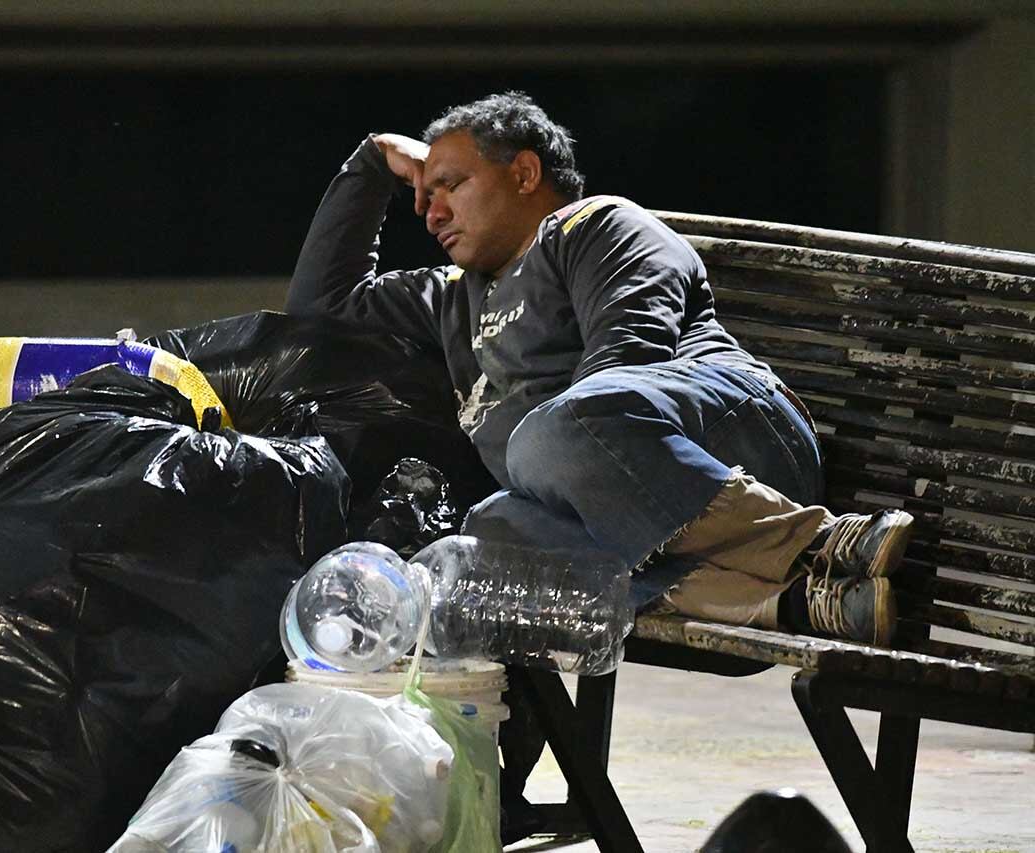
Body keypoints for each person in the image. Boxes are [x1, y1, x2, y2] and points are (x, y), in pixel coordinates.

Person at [285, 91, 913, 648]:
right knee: (487, 540)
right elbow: (321, 309)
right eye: (424, 196)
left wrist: (550, 458)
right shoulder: (454, 295)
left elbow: (626, 365)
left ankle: (822, 542)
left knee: (547, 435)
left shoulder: (596, 226)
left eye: (450, 184)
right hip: (621, 510)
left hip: (734, 446)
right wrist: (371, 165)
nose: (431, 212)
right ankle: (804, 603)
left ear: (525, 172)